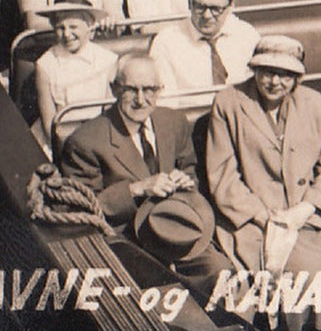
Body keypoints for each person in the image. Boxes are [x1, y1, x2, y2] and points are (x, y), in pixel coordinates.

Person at [205, 36, 321, 331]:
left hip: (315, 214)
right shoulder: (228, 103)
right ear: (253, 70)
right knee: (295, 270)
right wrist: (269, 217)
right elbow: (223, 179)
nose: (274, 81)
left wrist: (306, 209)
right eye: (266, 71)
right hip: (260, 219)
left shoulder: (313, 103)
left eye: (285, 74)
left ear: (298, 77)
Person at [58, 53, 234, 292]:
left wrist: (186, 181)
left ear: (160, 89)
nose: (141, 100)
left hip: (176, 230)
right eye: (131, 89)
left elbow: (190, 169)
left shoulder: (174, 121)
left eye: (150, 89)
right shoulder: (85, 141)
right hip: (129, 241)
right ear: (114, 89)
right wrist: (135, 190)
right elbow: (83, 210)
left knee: (222, 273)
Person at [148, 0, 260, 107]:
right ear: (190, 3)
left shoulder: (247, 35)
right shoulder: (166, 41)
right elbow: (167, 104)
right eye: (200, 7)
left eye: (216, 9)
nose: (207, 15)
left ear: (231, 7)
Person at [34, 0, 119, 145]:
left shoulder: (108, 60)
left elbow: (110, 113)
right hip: (59, 140)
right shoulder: (45, 64)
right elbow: (49, 123)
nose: (67, 34)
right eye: (61, 28)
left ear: (89, 26)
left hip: (98, 137)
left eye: (73, 27)